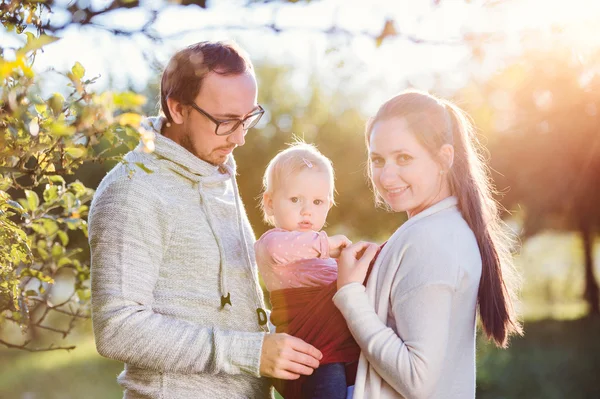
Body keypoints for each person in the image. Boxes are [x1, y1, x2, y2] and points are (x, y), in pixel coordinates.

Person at [88, 41, 322, 399]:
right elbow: (118, 328)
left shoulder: (216, 173)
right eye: (227, 122)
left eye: (248, 119)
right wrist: (251, 353)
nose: (240, 138)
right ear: (177, 108)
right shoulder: (132, 191)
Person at [333, 90, 523, 398]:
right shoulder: (444, 229)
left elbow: (417, 379)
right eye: (377, 160)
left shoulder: (429, 239)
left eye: (404, 158)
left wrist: (350, 295)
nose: (387, 175)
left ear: (443, 159)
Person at [254, 143, 359, 399]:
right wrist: (325, 244)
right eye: (295, 199)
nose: (306, 210)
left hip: (344, 348)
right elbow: (278, 250)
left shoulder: (324, 254)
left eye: (317, 201)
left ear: (328, 205)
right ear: (269, 203)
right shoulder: (273, 241)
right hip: (314, 355)